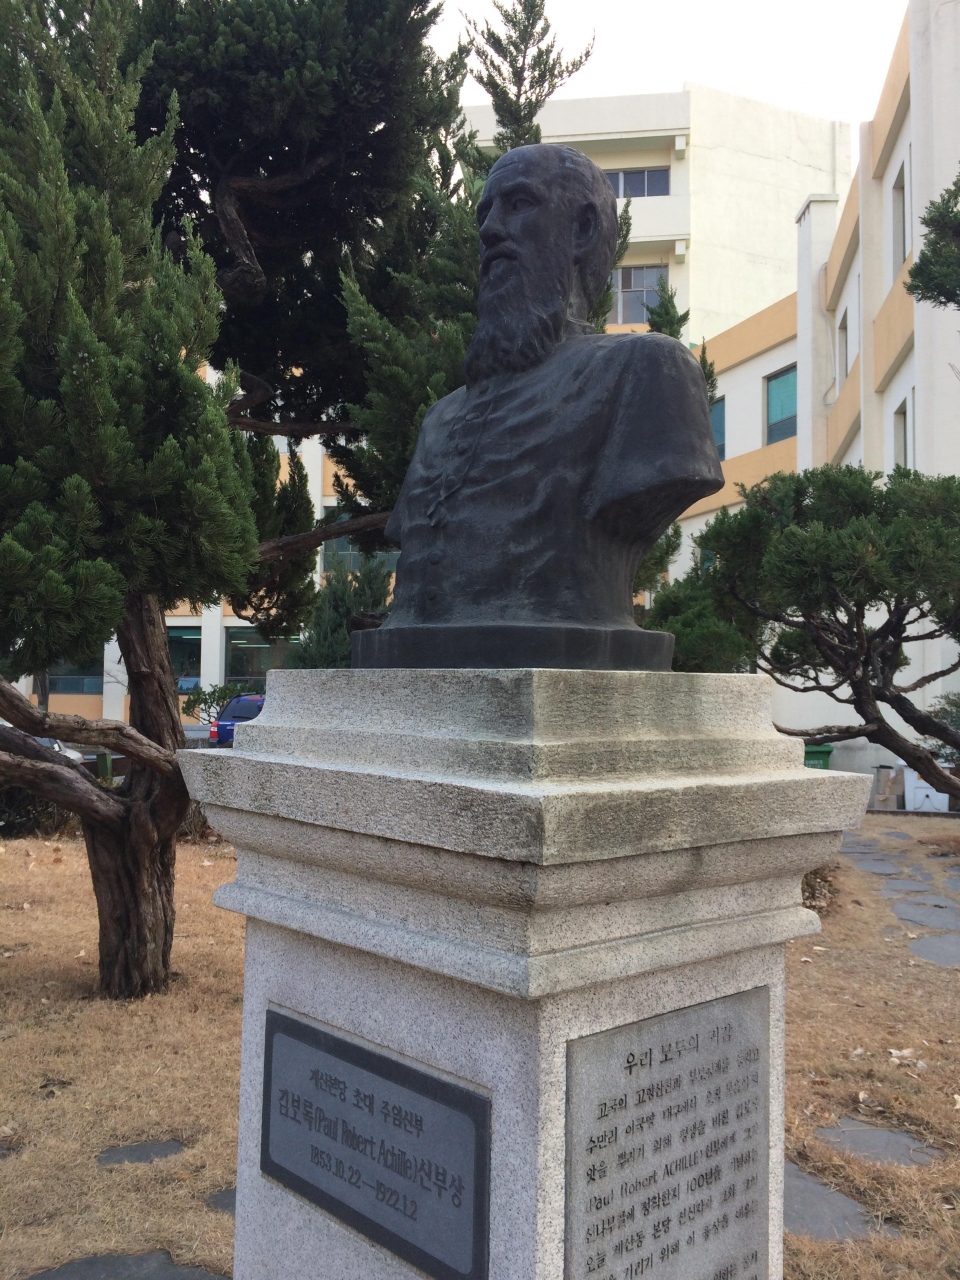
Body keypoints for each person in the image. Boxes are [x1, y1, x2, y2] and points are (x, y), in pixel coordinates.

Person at [354, 144, 723, 670]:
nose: (490, 231)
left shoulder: (646, 370)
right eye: (484, 214)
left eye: (519, 204)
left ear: (583, 231)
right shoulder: (441, 419)